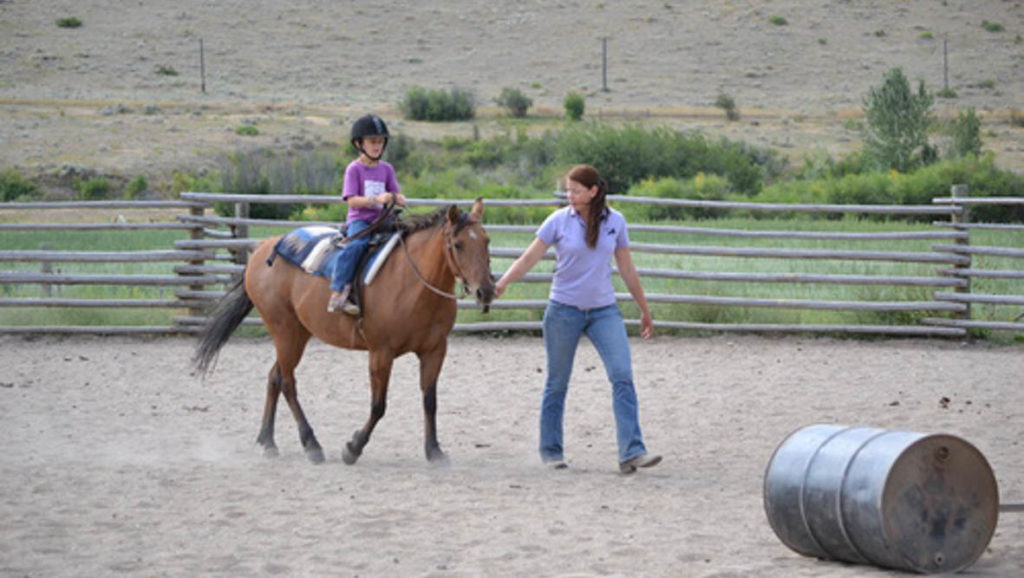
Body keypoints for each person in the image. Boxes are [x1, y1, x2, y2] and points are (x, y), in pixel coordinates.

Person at [495, 164, 661, 474]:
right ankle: (551, 451)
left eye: (576, 190)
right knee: (557, 383)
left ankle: (632, 451)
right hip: (563, 311)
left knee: (622, 374)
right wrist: (503, 282)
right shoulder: (558, 221)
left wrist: (644, 309)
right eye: (568, 190)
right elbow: (529, 257)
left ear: (593, 191)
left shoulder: (615, 222)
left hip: (604, 312)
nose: (569, 196)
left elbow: (626, 268)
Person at [328, 114, 407, 314]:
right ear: (359, 143)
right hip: (361, 221)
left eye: (380, 142)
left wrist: (398, 198)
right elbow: (352, 200)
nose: (377, 146)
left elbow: (395, 191)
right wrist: (377, 200)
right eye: (372, 142)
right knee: (357, 245)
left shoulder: (387, 169)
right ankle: (338, 293)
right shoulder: (354, 169)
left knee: (408, 240)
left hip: (384, 220)